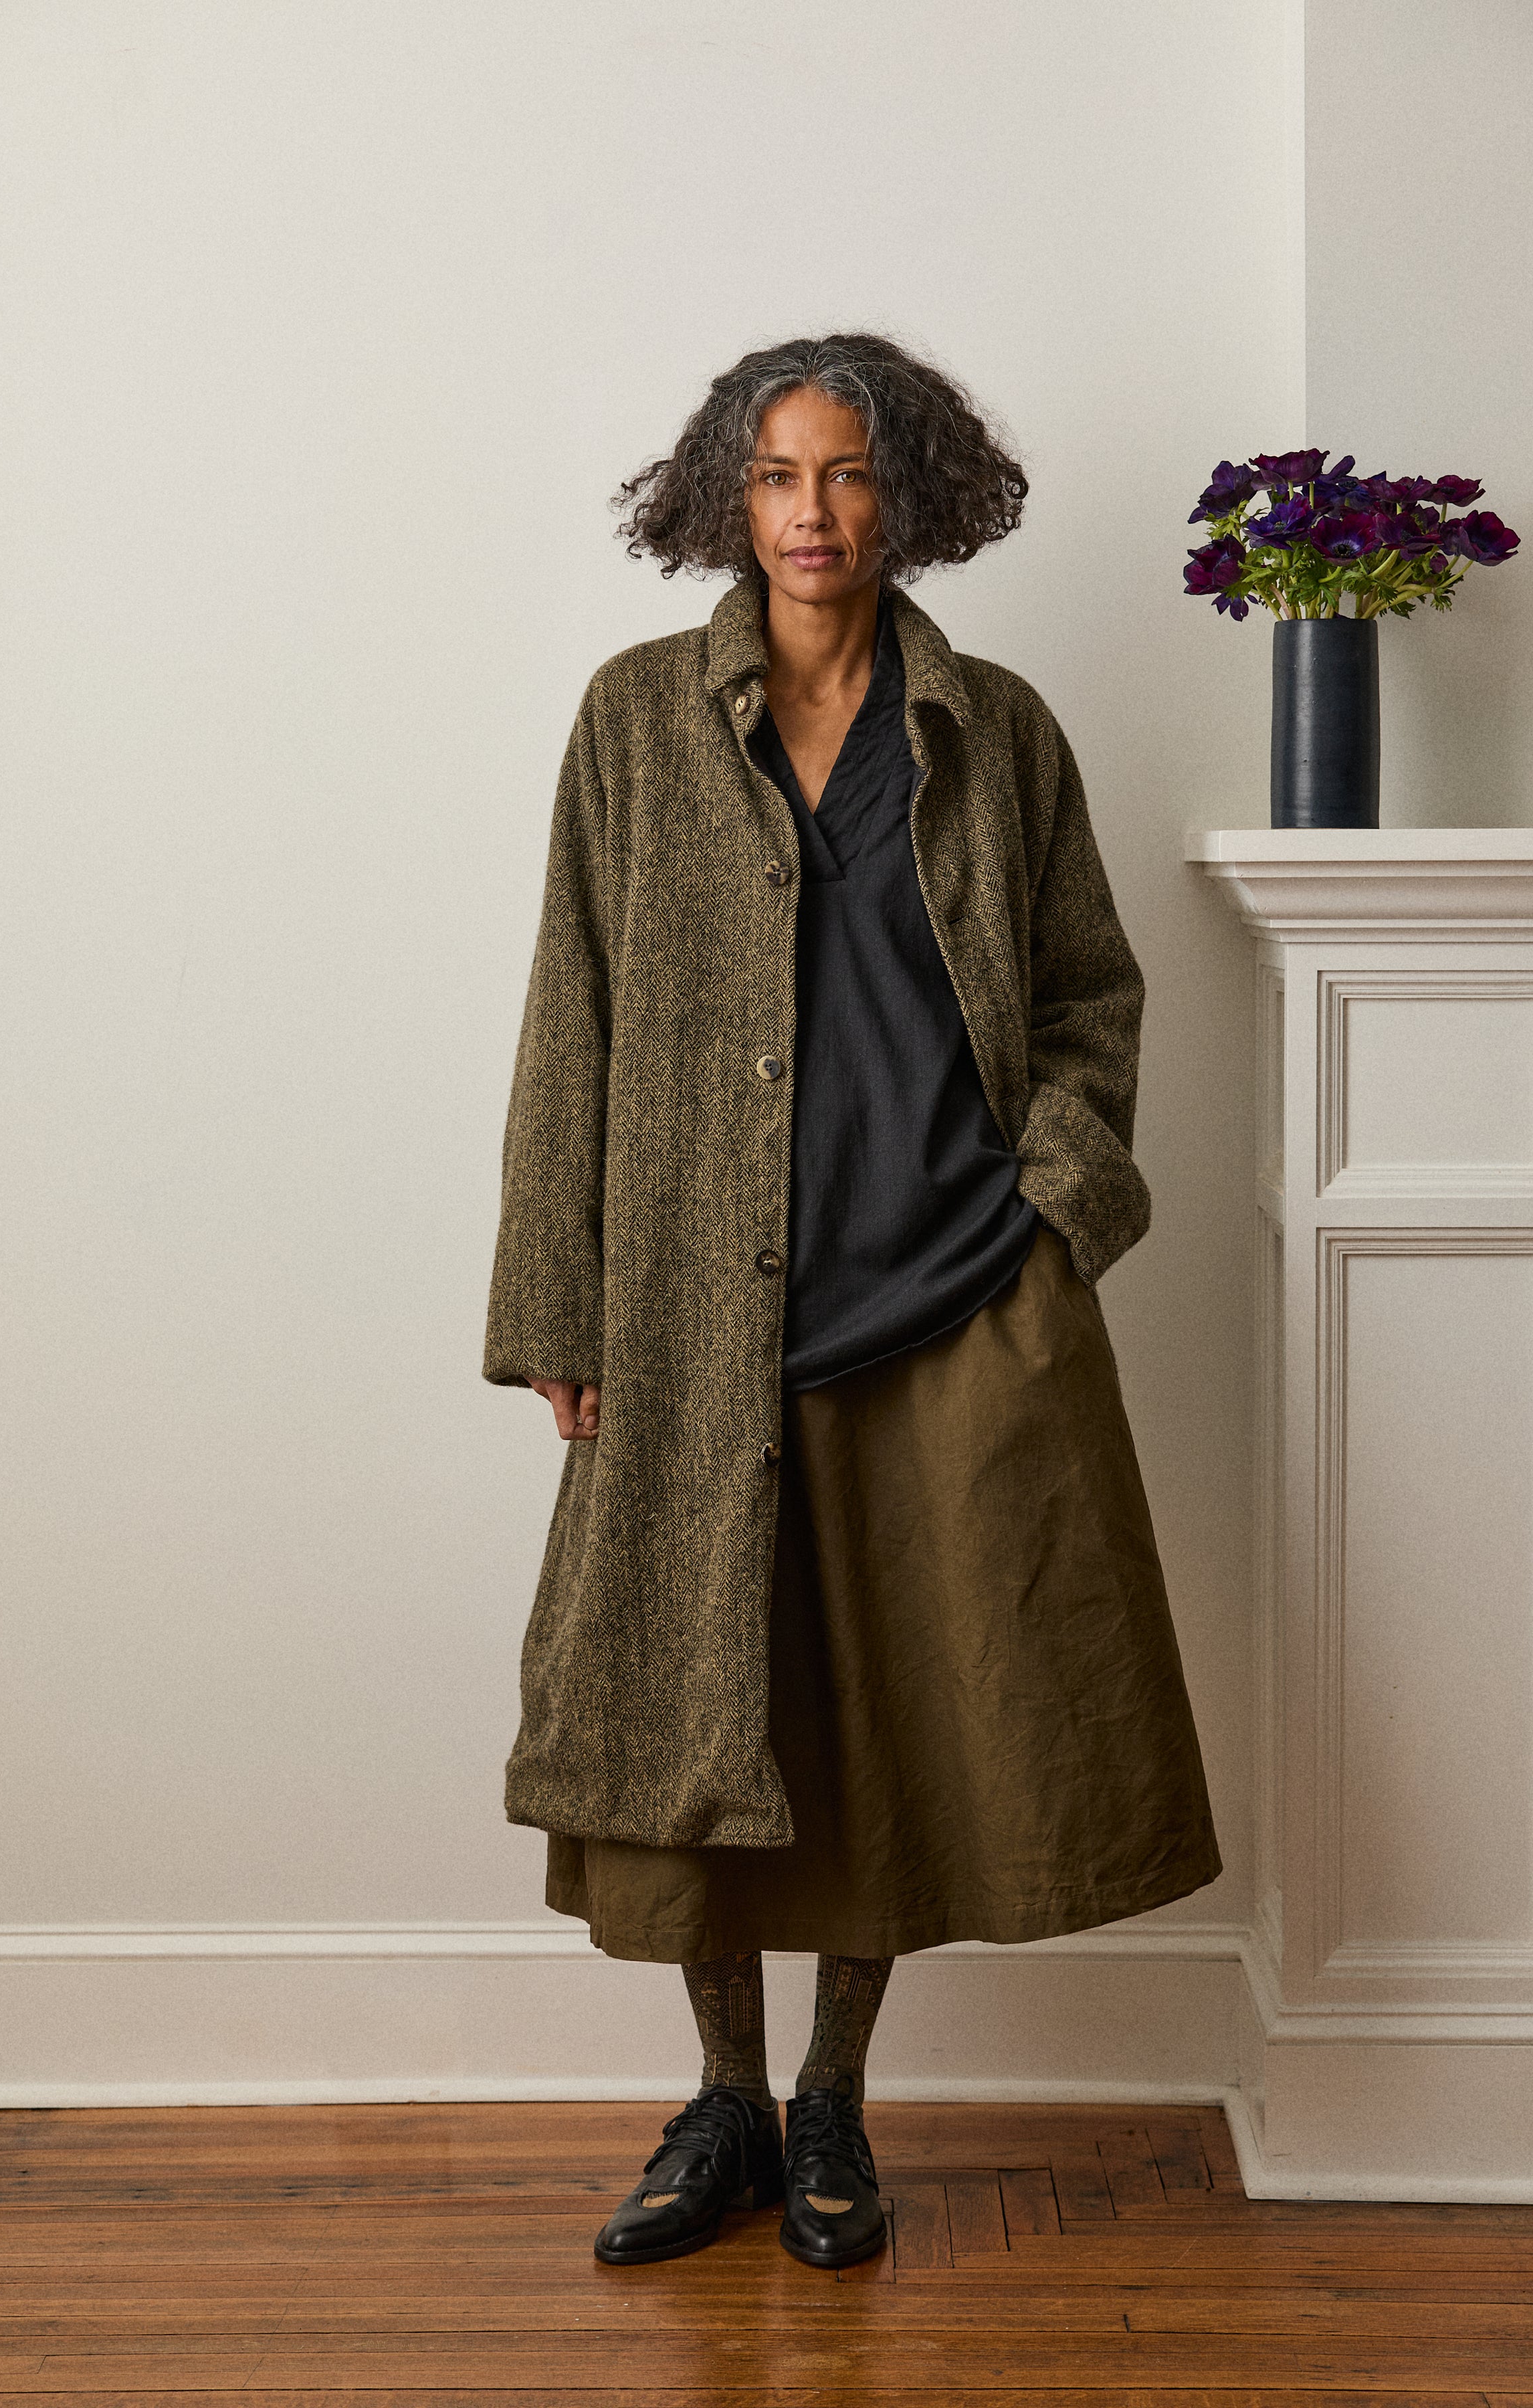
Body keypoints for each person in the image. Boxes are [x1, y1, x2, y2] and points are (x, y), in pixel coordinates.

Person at [484, 331, 1219, 2272]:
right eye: (779, 477)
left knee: (890, 1720)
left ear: (913, 495)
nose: (813, 514)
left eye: (850, 474)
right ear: (728, 500)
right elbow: (572, 1012)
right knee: (696, 1710)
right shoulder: (637, 719)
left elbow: (1091, 992)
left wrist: (1055, 1206)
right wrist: (556, 1301)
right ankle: (721, 2101)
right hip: (694, 1307)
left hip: (950, 1298)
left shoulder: (997, 729)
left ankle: (829, 2101)